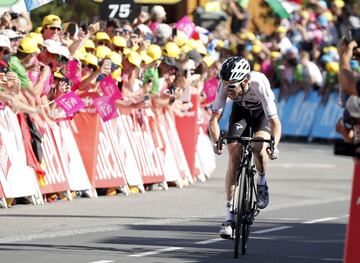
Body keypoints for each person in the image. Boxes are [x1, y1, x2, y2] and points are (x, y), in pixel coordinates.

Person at [208, 56, 282, 239]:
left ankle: (262, 181)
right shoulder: (224, 85)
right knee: (234, 156)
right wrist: (216, 140)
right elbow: (214, 120)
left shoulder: (259, 83)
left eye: (232, 86)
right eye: (225, 85)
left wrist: (275, 145)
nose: (228, 89)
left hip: (261, 115)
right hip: (240, 113)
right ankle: (230, 217)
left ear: (246, 80)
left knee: (258, 146)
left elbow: (275, 122)